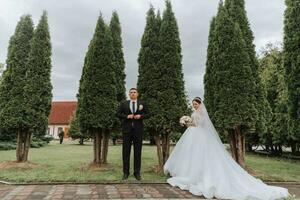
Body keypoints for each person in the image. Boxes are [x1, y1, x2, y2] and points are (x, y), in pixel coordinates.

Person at [164, 97, 289, 200]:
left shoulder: (202, 113)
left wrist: (187, 123)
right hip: (193, 135)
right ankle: (189, 172)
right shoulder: (194, 113)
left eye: (196, 104)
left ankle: (199, 175)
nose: (194, 106)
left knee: (201, 155)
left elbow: (197, 124)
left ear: (200, 104)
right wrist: (186, 122)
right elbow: (194, 124)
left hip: (199, 135)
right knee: (192, 155)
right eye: (193, 104)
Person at [117, 88, 150, 180]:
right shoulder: (124, 103)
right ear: (129, 94)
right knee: (126, 152)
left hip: (138, 131)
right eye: (131, 92)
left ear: (137, 94)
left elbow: (148, 114)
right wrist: (126, 116)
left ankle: (137, 173)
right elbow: (118, 114)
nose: (133, 94)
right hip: (126, 131)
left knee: (137, 152)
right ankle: (125, 173)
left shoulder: (142, 103)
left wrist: (141, 116)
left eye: (134, 92)